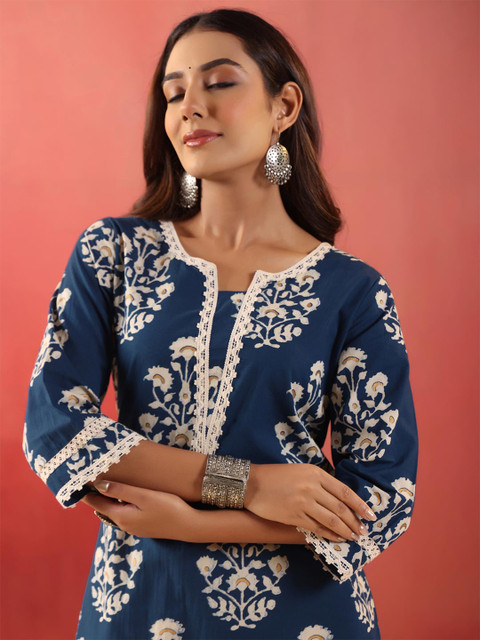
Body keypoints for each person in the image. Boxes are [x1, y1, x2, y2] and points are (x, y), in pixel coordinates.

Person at [23, 8, 418, 640]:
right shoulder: (117, 254)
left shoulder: (352, 291)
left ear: (284, 106)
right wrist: (247, 483)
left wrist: (195, 524)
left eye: (220, 82)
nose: (190, 107)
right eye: (173, 92)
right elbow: (55, 428)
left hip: (307, 616)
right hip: (138, 602)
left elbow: (382, 497)